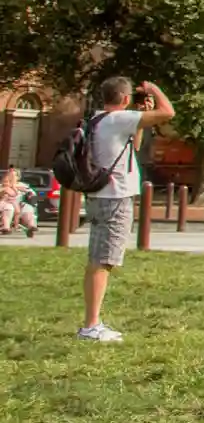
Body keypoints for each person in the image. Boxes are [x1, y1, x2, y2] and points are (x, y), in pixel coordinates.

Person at [77, 77, 174, 343]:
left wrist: (141, 118)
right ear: (125, 98)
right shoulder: (118, 119)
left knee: (98, 260)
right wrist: (154, 88)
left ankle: (91, 323)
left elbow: (136, 145)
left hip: (100, 196)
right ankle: (91, 326)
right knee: (103, 261)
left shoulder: (98, 120)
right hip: (115, 198)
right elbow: (168, 112)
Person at [0, 167, 37, 237]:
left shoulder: (22, 185)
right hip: (5, 204)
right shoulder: (2, 185)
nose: (12, 177)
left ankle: (31, 226)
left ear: (18, 177)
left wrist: (30, 195)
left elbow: (32, 193)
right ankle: (6, 227)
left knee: (28, 208)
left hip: (19, 204)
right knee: (9, 207)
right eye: (10, 175)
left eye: (14, 176)